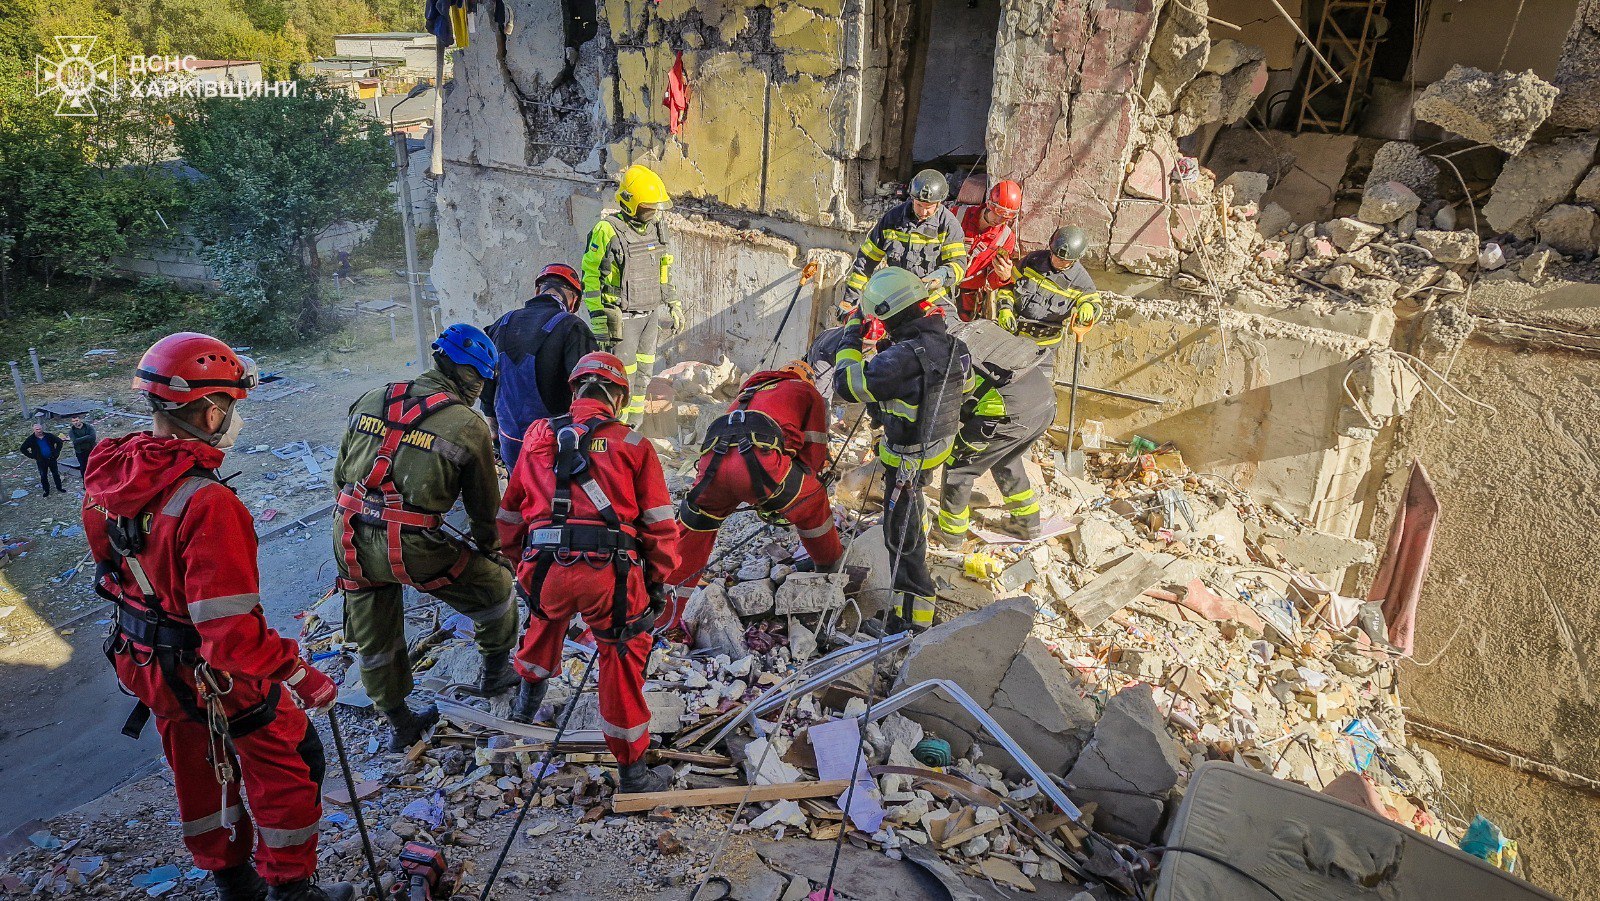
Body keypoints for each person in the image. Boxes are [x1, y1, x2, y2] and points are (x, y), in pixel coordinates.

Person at [85, 332, 350, 901]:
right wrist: (305, 676)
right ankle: (292, 889)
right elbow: (230, 639)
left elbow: (109, 567)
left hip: (147, 662)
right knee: (289, 761)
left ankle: (232, 882)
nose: (231, 418)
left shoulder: (112, 473)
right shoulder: (207, 505)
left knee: (198, 768)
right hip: (211, 673)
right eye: (229, 406)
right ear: (208, 411)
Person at [498, 352, 679, 794]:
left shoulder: (538, 435)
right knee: (621, 661)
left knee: (544, 622)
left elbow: (508, 516)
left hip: (543, 570)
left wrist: (521, 566)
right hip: (611, 577)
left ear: (575, 389)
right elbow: (660, 529)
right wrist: (655, 583)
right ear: (618, 397)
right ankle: (634, 775)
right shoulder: (633, 443)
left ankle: (523, 711)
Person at [333, 324, 519, 751]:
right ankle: (496, 673)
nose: (479, 390)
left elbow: (341, 477)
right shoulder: (467, 423)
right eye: (479, 380)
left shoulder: (373, 397)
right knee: (497, 590)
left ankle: (400, 722)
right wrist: (494, 554)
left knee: (375, 633)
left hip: (349, 536)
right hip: (413, 548)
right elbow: (485, 512)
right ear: (467, 372)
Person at [833, 268, 970, 631]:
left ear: (886, 314)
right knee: (912, 515)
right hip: (934, 448)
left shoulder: (899, 360)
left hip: (906, 460)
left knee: (901, 539)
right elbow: (965, 388)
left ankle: (910, 621)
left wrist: (850, 336)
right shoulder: (956, 346)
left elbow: (847, 384)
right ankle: (916, 523)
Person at [663, 361, 843, 633]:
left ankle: (664, 614)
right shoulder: (806, 392)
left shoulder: (745, 395)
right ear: (806, 378)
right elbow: (814, 454)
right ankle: (829, 567)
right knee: (813, 502)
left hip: (712, 469)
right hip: (762, 466)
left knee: (692, 534)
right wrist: (795, 492)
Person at [581, 164, 684, 423]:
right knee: (620, 379)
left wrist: (673, 303)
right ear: (629, 204)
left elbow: (663, 268)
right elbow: (591, 275)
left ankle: (633, 427)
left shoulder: (657, 228)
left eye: (654, 209)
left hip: (650, 315)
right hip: (623, 318)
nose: (652, 214)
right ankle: (614, 428)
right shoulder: (606, 230)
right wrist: (599, 319)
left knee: (644, 376)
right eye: (647, 209)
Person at [935, 336, 1055, 547]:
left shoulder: (942, 357)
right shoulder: (978, 336)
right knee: (1007, 457)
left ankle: (951, 534)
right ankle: (1027, 522)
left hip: (1007, 413)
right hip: (1045, 404)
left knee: (959, 465)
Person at [483, 263, 598, 466]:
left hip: (509, 440)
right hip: (553, 443)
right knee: (552, 495)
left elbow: (487, 381)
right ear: (573, 301)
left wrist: (493, 427)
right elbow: (588, 390)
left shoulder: (502, 323)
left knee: (519, 494)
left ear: (538, 290)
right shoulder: (573, 327)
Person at [840, 169, 967, 319]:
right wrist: (850, 300)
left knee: (945, 338)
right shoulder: (892, 219)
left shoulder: (948, 224)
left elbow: (958, 264)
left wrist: (941, 276)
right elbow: (866, 261)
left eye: (929, 207)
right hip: (897, 301)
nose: (923, 212)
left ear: (939, 203)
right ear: (912, 198)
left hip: (934, 301)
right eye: (919, 205)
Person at [997, 225, 1103, 381]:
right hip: (1013, 337)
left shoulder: (1081, 281)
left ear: (1075, 259)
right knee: (1002, 383)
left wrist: (1088, 308)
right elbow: (1008, 286)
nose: (1058, 261)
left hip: (1044, 348)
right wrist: (1004, 309)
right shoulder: (1032, 261)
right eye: (1055, 256)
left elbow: (1096, 307)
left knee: (1039, 389)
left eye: (1065, 261)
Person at [953, 179, 1022, 322]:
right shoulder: (957, 215)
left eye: (1007, 216)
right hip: (942, 285)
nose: (1001, 219)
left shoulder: (1006, 238)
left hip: (968, 297)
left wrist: (1003, 277)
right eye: (999, 213)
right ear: (990, 204)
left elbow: (991, 280)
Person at [20, 422, 65, 496]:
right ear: (33, 430)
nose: (39, 431)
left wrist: (57, 452)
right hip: (41, 461)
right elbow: (23, 448)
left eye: (40, 429)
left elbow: (59, 442)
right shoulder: (31, 439)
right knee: (43, 476)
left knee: (56, 474)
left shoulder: (48, 436)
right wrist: (32, 456)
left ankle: (59, 488)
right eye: (37, 429)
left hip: (52, 459)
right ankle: (46, 491)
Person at [68, 415, 97, 479]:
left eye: (77, 420)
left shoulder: (88, 427)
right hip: (80, 452)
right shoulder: (72, 431)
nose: (75, 422)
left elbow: (93, 437)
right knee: (83, 467)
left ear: (80, 420)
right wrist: (87, 437)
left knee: (94, 465)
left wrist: (80, 439)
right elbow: (75, 441)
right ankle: (85, 482)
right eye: (73, 421)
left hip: (91, 450)